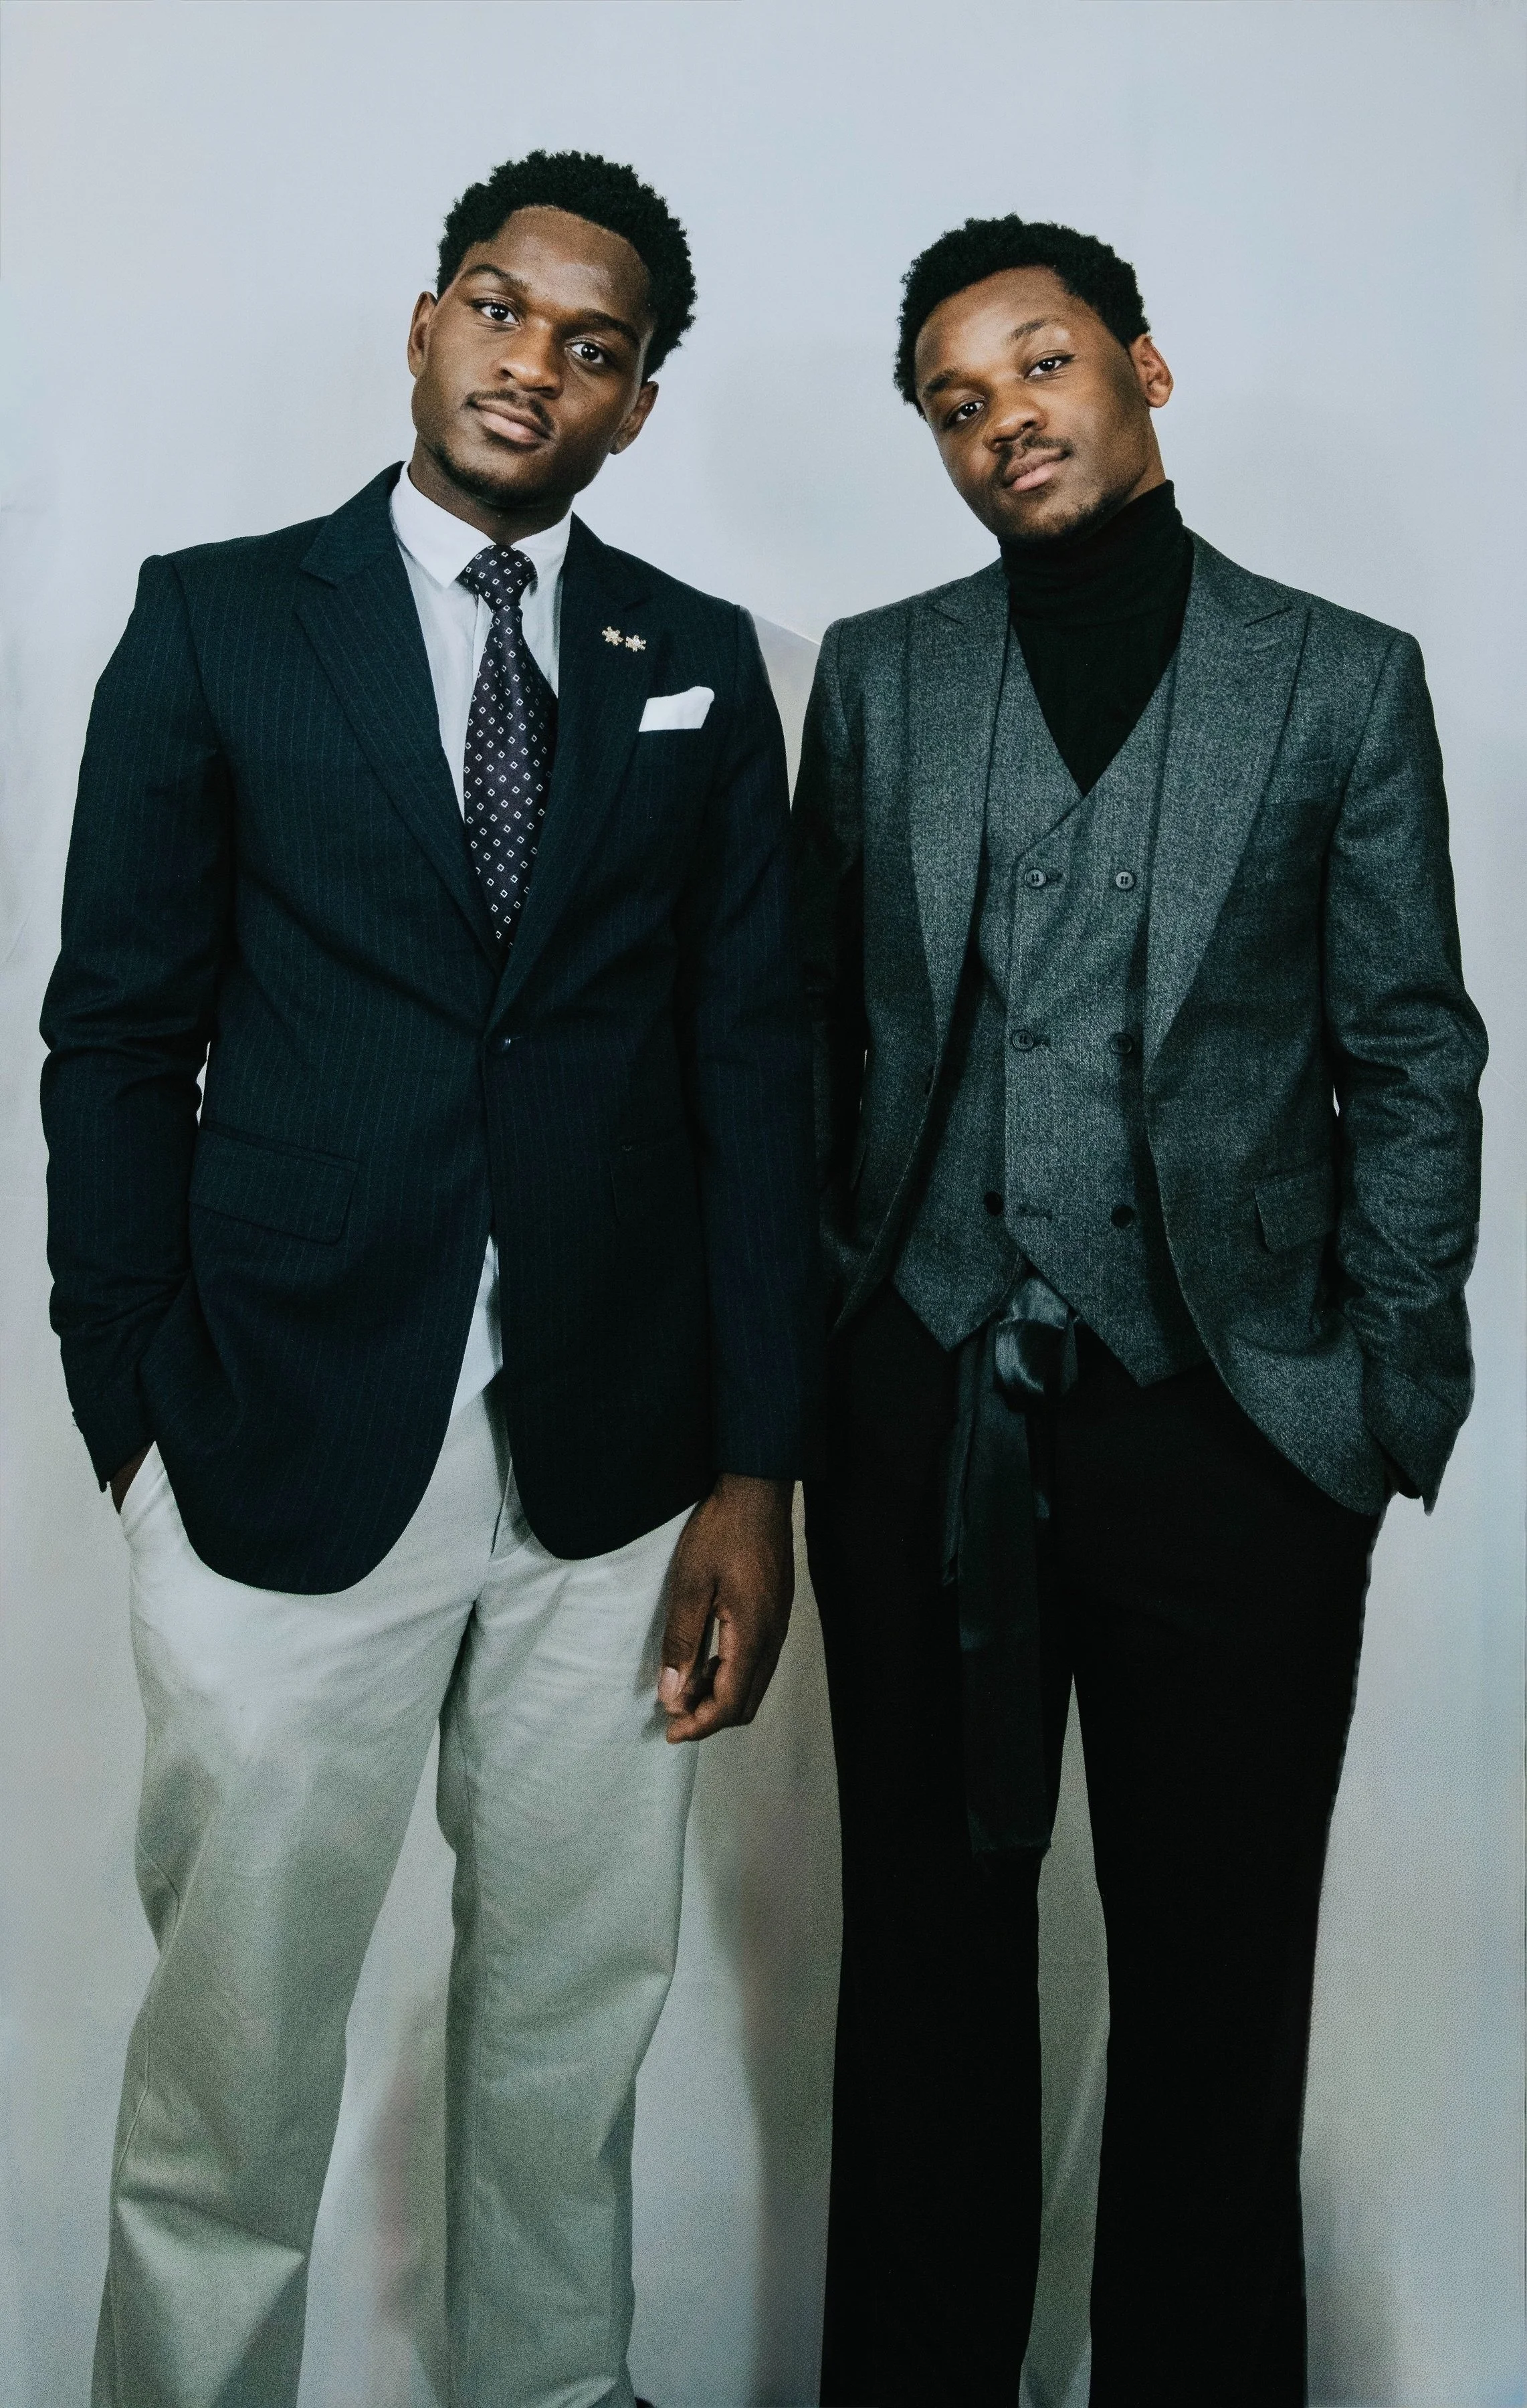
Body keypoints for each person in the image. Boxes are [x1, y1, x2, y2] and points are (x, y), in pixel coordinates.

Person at [41, 148, 819, 2408]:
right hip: (279, 1436)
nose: (531, 364)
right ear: (423, 323)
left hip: (617, 1470)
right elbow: (118, 1037)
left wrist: (756, 1470)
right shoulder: (219, 622)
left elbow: (752, 1073)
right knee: (236, 2055)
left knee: (572, 2026)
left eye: (594, 345)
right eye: (499, 307)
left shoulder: (697, 660)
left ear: (637, 404)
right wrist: (134, 1412)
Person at [793, 215, 1485, 2405]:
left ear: (1144, 369)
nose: (1004, 417)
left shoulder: (1340, 678)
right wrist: (817, 1366)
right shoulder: (881, 675)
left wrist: (1377, 1406)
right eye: (956, 401)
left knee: (1216, 1988)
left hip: (1238, 1432)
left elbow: (1411, 1048)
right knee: (923, 1971)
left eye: (1041, 363)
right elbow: (810, 1034)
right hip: (922, 1411)